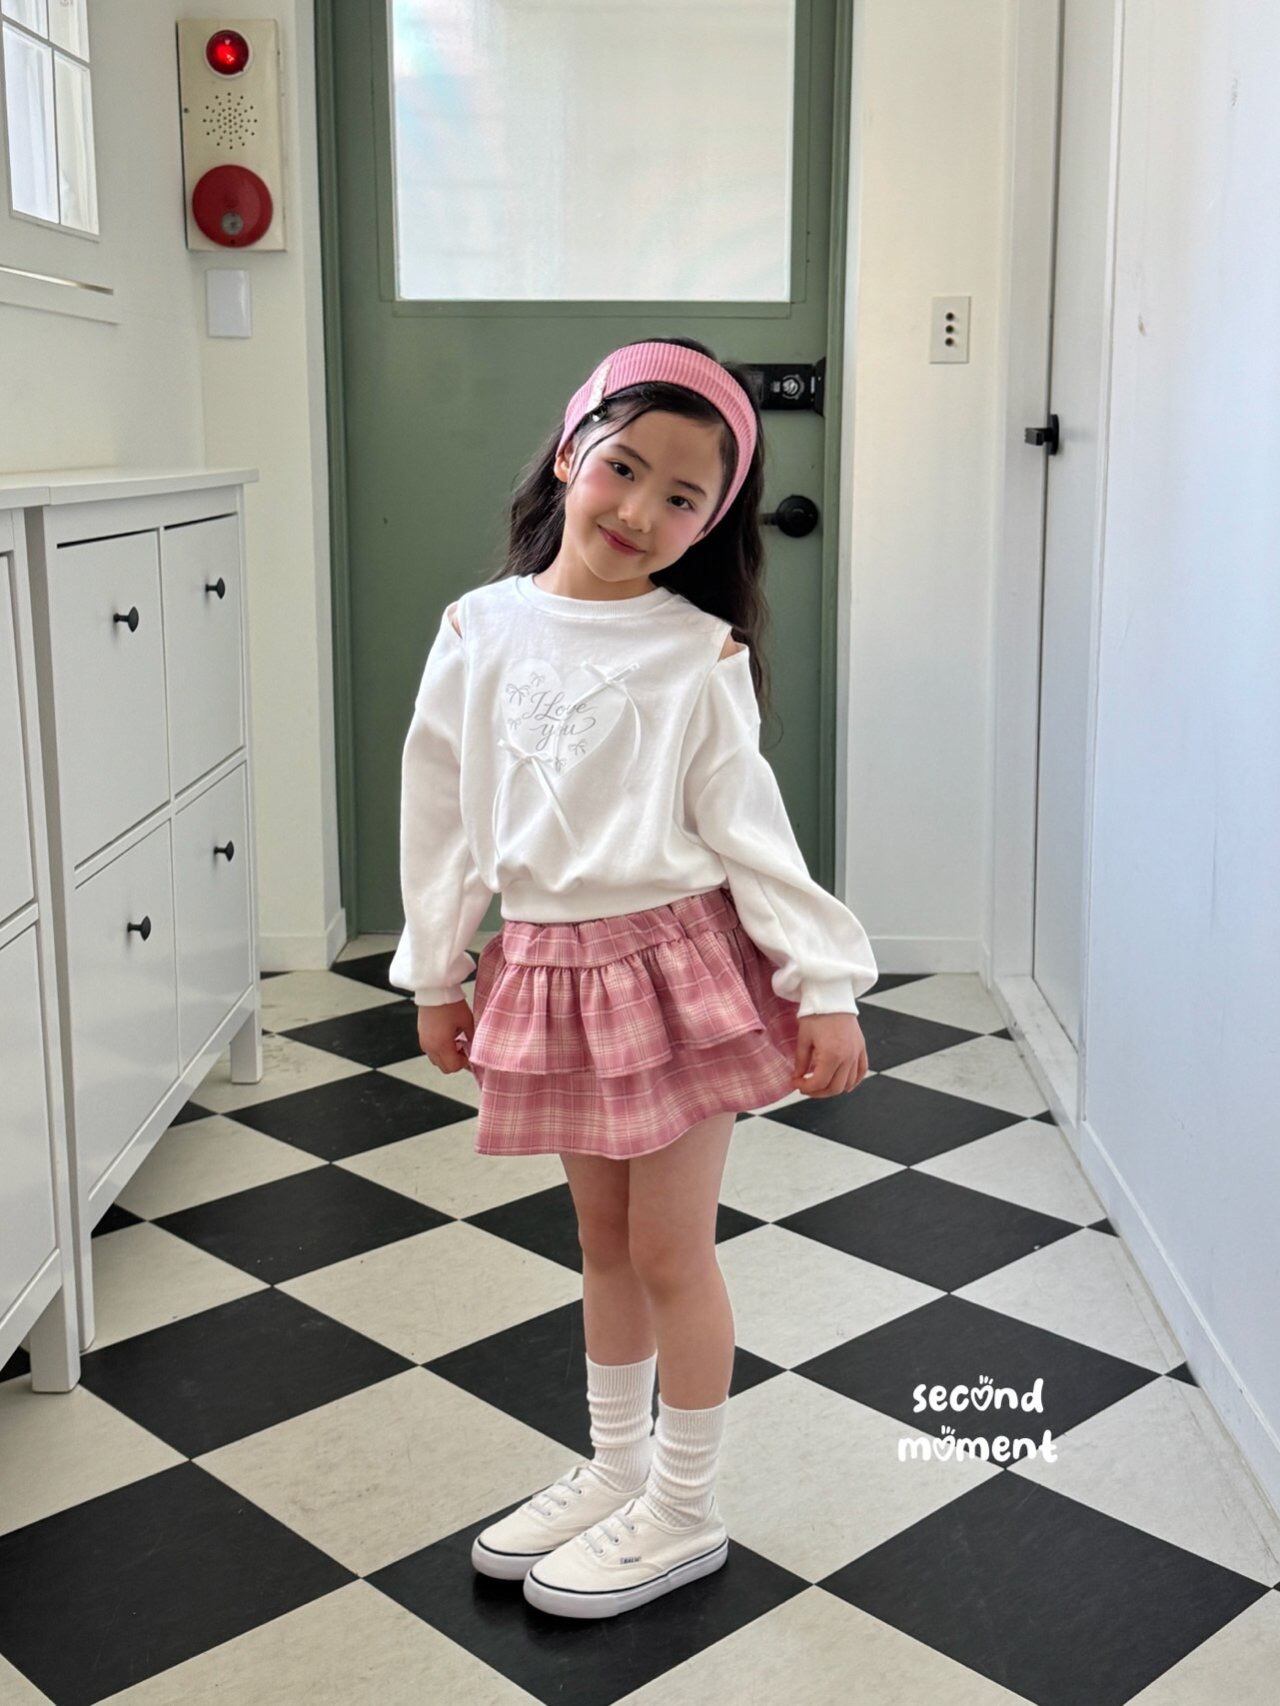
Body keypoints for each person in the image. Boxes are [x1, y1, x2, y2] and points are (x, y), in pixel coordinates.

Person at [387, 337, 878, 1620]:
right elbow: (441, 813)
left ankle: (684, 1504)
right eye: (623, 468)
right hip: (549, 966)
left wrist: (822, 981)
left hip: (672, 966)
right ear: (569, 455)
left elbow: (748, 833)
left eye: (682, 497)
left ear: (711, 524)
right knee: (600, 1241)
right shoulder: (478, 628)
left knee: (669, 1246)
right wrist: (437, 968)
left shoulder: (694, 650)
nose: (640, 509)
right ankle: (616, 1469)